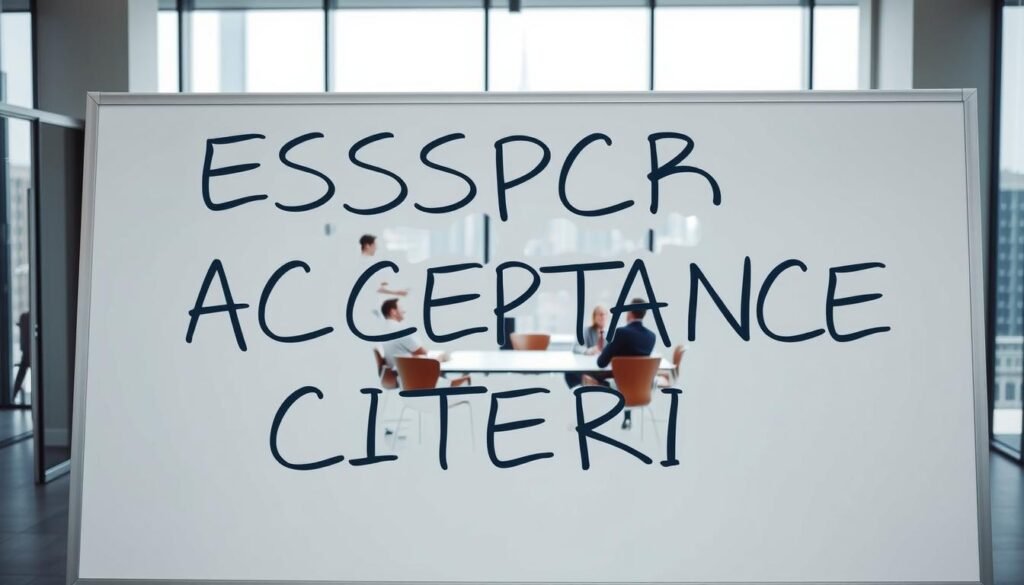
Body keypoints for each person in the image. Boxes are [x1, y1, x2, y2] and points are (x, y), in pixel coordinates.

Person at [583, 298, 656, 429]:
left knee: (588, 375)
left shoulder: (621, 333)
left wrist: (610, 351)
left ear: (629, 313)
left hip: (619, 385)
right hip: (641, 388)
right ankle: (626, 417)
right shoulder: (651, 336)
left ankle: (589, 417)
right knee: (625, 378)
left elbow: (601, 362)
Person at [379, 298, 469, 385]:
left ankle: (446, 384)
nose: (404, 311)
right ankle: (453, 385)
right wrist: (439, 358)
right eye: (401, 308)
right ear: (393, 312)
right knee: (444, 357)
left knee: (441, 361)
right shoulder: (401, 330)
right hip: (412, 375)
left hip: (400, 372)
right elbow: (423, 353)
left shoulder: (384, 330)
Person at [565, 305, 610, 388]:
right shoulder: (586, 330)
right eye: (600, 314)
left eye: (605, 314)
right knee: (569, 372)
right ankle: (593, 382)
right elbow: (576, 347)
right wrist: (588, 351)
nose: (603, 316)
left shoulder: (610, 333)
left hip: (602, 368)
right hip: (589, 367)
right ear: (594, 317)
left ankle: (595, 383)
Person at [11, 311, 29, 402]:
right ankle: (13, 395)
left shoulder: (24, 317)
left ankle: (13, 395)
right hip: (27, 351)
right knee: (21, 374)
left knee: (21, 374)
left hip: (27, 351)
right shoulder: (25, 317)